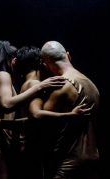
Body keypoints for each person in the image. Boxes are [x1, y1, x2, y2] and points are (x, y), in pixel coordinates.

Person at [0, 45, 91, 179]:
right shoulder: (34, 85)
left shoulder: (26, 85)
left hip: (23, 150)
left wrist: (2, 123)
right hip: (30, 151)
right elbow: (35, 117)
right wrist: (70, 115)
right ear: (41, 63)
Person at [0, 41, 66, 179]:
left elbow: (28, 118)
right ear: (12, 60)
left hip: (4, 147)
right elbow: (7, 104)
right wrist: (40, 86)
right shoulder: (2, 74)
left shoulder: (12, 82)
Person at [29, 41, 100, 179]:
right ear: (68, 55)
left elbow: (37, 121)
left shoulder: (61, 85)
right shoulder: (92, 84)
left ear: (45, 64)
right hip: (92, 156)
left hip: (69, 161)